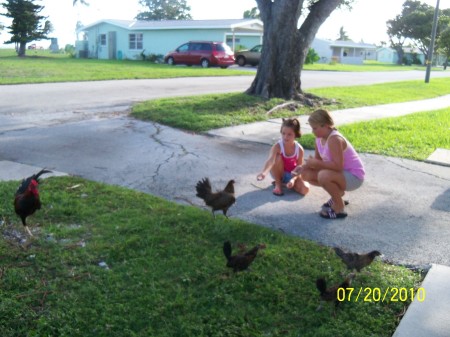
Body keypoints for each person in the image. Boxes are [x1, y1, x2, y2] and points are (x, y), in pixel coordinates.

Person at [296, 109, 365, 219]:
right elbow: (318, 163)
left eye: (315, 128)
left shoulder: (334, 139)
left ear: (326, 126)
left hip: (354, 177)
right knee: (306, 174)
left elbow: (338, 166)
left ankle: (339, 207)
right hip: (340, 174)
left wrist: (316, 162)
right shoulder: (318, 139)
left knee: (323, 175)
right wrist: (304, 167)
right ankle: (338, 195)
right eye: (312, 128)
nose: (313, 131)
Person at [257, 118, 310, 196]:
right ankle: (278, 184)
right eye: (283, 133)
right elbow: (270, 161)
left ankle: (286, 184)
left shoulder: (299, 149)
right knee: (277, 157)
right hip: (279, 173)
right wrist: (264, 173)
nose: (285, 137)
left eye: (289, 134)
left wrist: (293, 180)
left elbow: (299, 168)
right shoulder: (277, 146)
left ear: (296, 134)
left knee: (305, 189)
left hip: (292, 174)